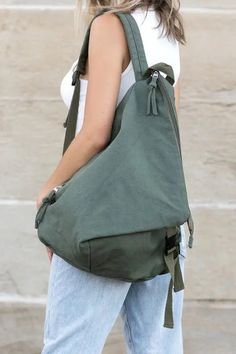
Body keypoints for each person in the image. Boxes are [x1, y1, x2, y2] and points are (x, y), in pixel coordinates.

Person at [36, 1, 188, 353]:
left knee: (69, 347)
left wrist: (48, 192)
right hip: (163, 223)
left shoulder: (110, 26)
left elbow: (95, 133)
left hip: (102, 223)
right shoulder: (169, 29)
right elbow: (169, 137)